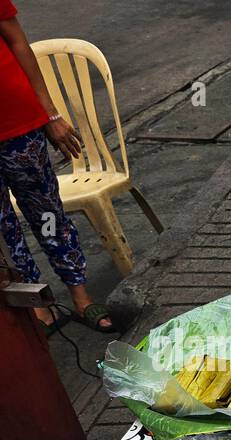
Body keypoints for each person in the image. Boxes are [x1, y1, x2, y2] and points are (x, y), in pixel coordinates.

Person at [0, 0, 115, 332]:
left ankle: (80, 297)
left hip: (20, 124)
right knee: (4, 234)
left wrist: (50, 114)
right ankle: (38, 307)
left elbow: (18, 42)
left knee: (48, 213)